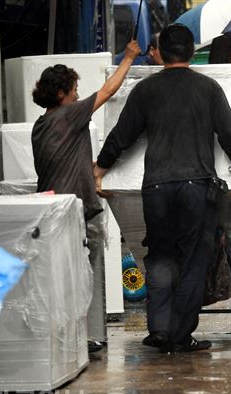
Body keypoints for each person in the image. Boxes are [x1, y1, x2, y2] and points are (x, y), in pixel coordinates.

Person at [93, 24, 231, 353]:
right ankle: (181, 334)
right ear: (192, 52)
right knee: (195, 260)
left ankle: (160, 330)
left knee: (161, 258)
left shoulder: (146, 91)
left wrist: (99, 170)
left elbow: (122, 135)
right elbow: (229, 133)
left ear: (161, 53)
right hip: (197, 187)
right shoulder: (208, 89)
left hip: (156, 187)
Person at [31, 39, 141, 352]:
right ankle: (90, 337)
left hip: (51, 211)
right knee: (86, 277)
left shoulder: (42, 125)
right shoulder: (69, 115)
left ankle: (72, 337)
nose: (78, 94)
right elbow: (108, 92)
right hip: (75, 212)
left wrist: (87, 164)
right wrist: (129, 58)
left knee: (64, 278)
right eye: (74, 89)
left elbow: (61, 157)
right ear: (61, 95)